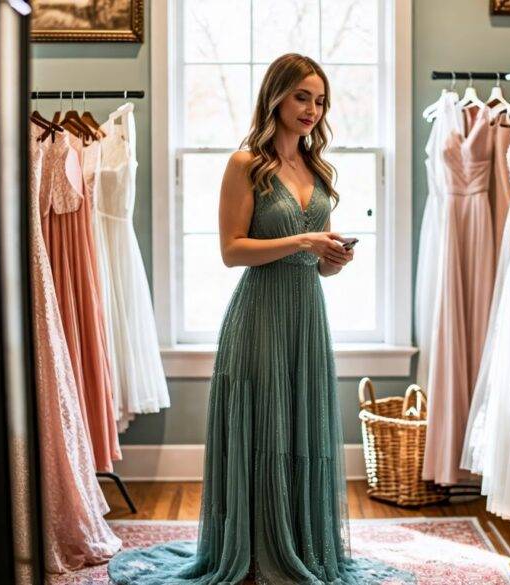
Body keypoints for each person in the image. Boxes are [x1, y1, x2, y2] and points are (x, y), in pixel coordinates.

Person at [108, 54, 413, 585]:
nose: (312, 110)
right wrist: (304, 240)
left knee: (301, 427)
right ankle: (250, 552)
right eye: (302, 97)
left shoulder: (316, 169)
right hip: (259, 315)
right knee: (263, 427)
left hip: (306, 315)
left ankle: (298, 544)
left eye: (320, 101)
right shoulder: (245, 163)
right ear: (276, 96)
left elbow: (316, 267)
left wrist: (331, 260)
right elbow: (232, 251)